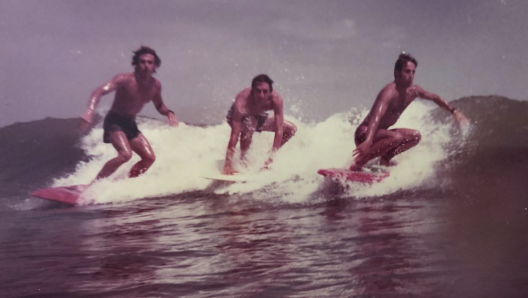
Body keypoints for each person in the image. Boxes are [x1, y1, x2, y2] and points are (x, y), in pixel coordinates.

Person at [351, 52, 469, 171]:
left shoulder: (413, 91)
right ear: (397, 73)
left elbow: (434, 97)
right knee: (396, 137)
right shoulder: (389, 92)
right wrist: (367, 141)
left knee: (415, 136)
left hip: (380, 135)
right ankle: (359, 163)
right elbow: (375, 118)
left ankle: (385, 159)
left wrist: (454, 111)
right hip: (365, 134)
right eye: (407, 71)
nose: (411, 76)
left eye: (413, 72)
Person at [79, 46, 178, 181]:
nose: (146, 65)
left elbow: (159, 105)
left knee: (149, 158)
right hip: (114, 121)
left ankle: (127, 183)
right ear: (136, 64)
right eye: (142, 62)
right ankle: (93, 185)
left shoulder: (155, 85)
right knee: (125, 155)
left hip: (130, 124)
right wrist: (89, 111)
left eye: (150, 62)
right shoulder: (124, 79)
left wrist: (168, 113)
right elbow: (99, 91)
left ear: (155, 65)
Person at [222, 74, 297, 175]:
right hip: (234, 116)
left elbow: (279, 129)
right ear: (252, 90)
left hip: (257, 115)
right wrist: (227, 164)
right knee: (250, 125)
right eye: (258, 91)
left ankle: (266, 158)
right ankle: (242, 161)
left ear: (270, 92)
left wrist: (271, 158)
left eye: (265, 91)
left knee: (291, 129)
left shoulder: (276, 100)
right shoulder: (242, 102)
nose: (261, 95)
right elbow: (235, 134)